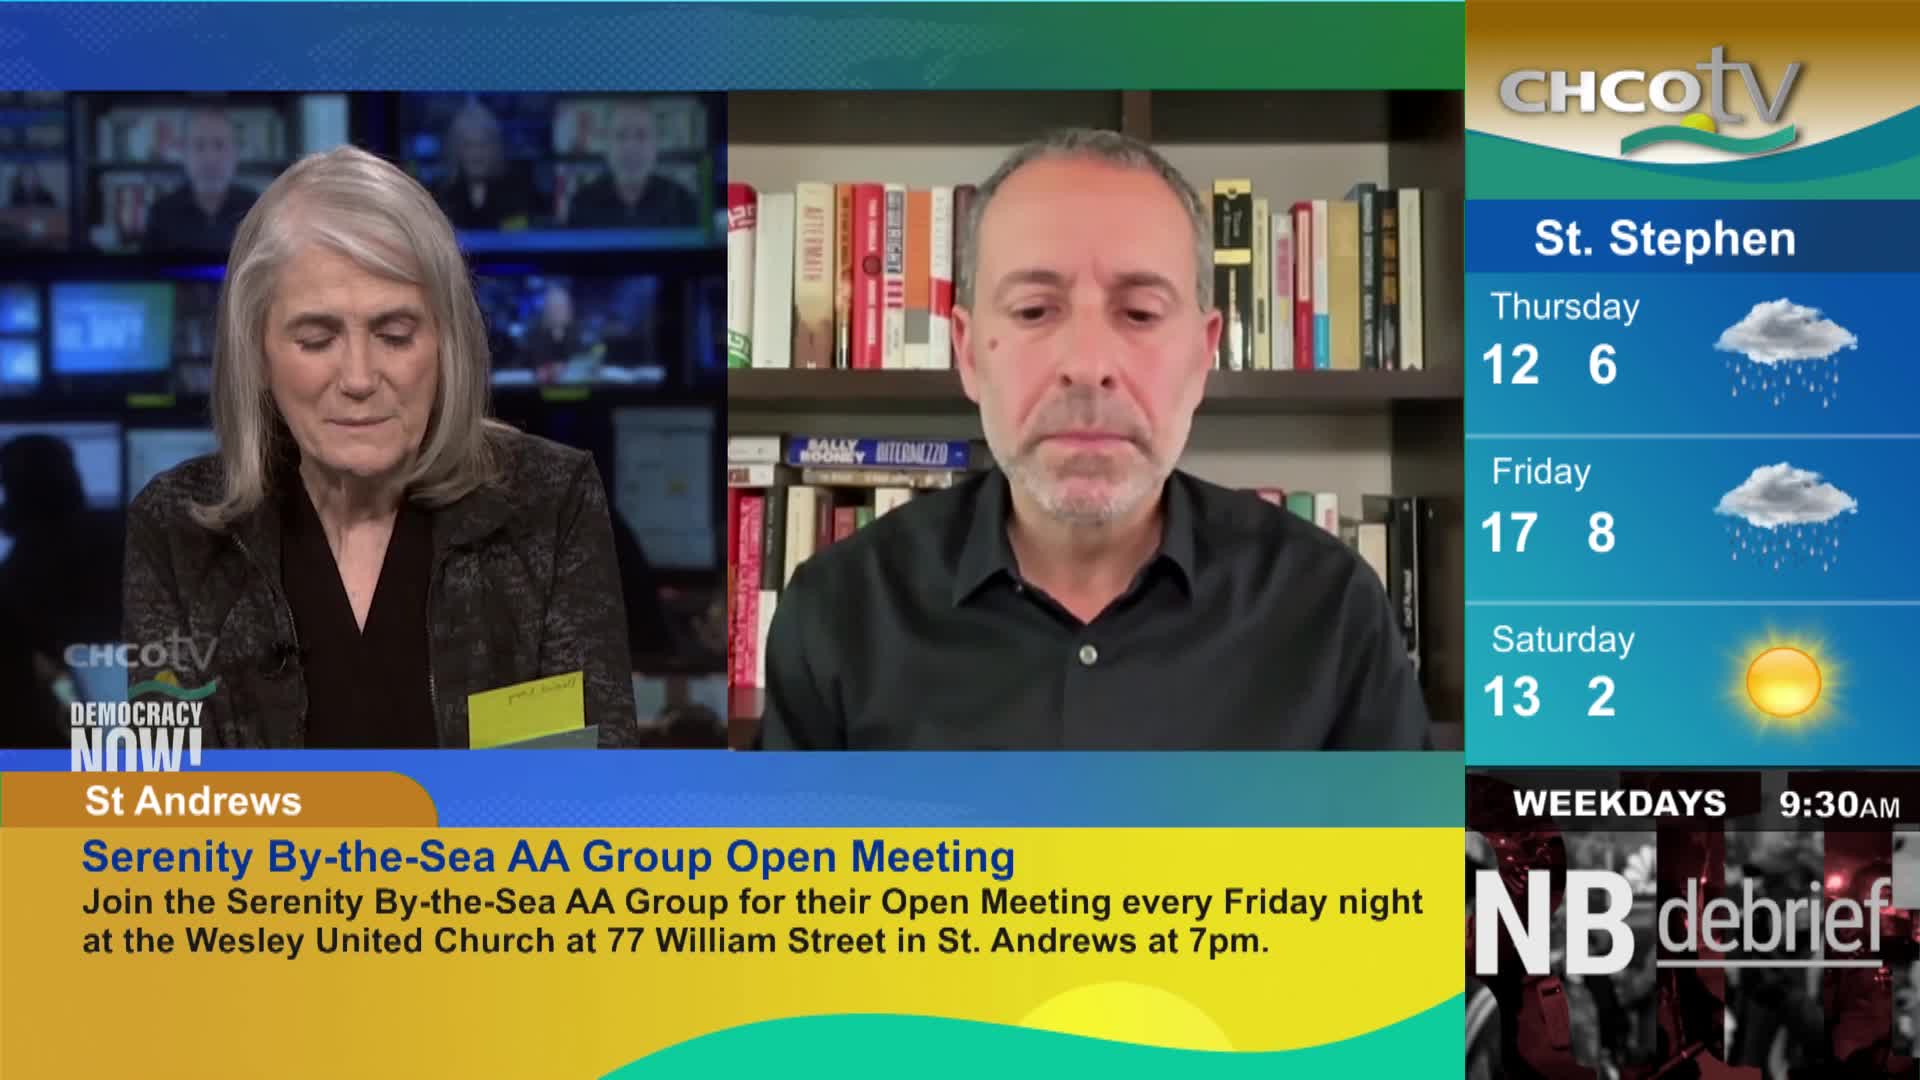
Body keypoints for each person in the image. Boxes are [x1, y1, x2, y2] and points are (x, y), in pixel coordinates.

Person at [754, 129, 1427, 750]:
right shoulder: (838, 614)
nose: (1087, 362)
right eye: (1033, 311)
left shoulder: (1328, 608)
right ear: (967, 353)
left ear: (1202, 355)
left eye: (1138, 312)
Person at [122, 144, 640, 748]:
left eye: (395, 335)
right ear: (258, 354)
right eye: (317, 340)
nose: (360, 378)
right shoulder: (177, 530)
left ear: (447, 344)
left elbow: (583, 802)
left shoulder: (550, 504)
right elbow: (167, 813)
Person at [565, 100, 699, 228]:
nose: (631, 147)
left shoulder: (683, 203)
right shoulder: (582, 204)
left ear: (656, 145)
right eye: (621, 136)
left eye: (641, 136)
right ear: (607, 146)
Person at [142, 107, 257, 253]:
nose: (210, 159)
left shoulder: (256, 208)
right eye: (199, 146)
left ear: (235, 153)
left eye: (220, 145)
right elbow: (147, 274)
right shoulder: (161, 213)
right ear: (184, 155)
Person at [433, 100, 532, 230]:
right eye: (468, 145)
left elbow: (518, 238)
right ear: (456, 151)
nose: (476, 155)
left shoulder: (514, 194)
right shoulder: (444, 195)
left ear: (495, 150)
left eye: (483, 145)